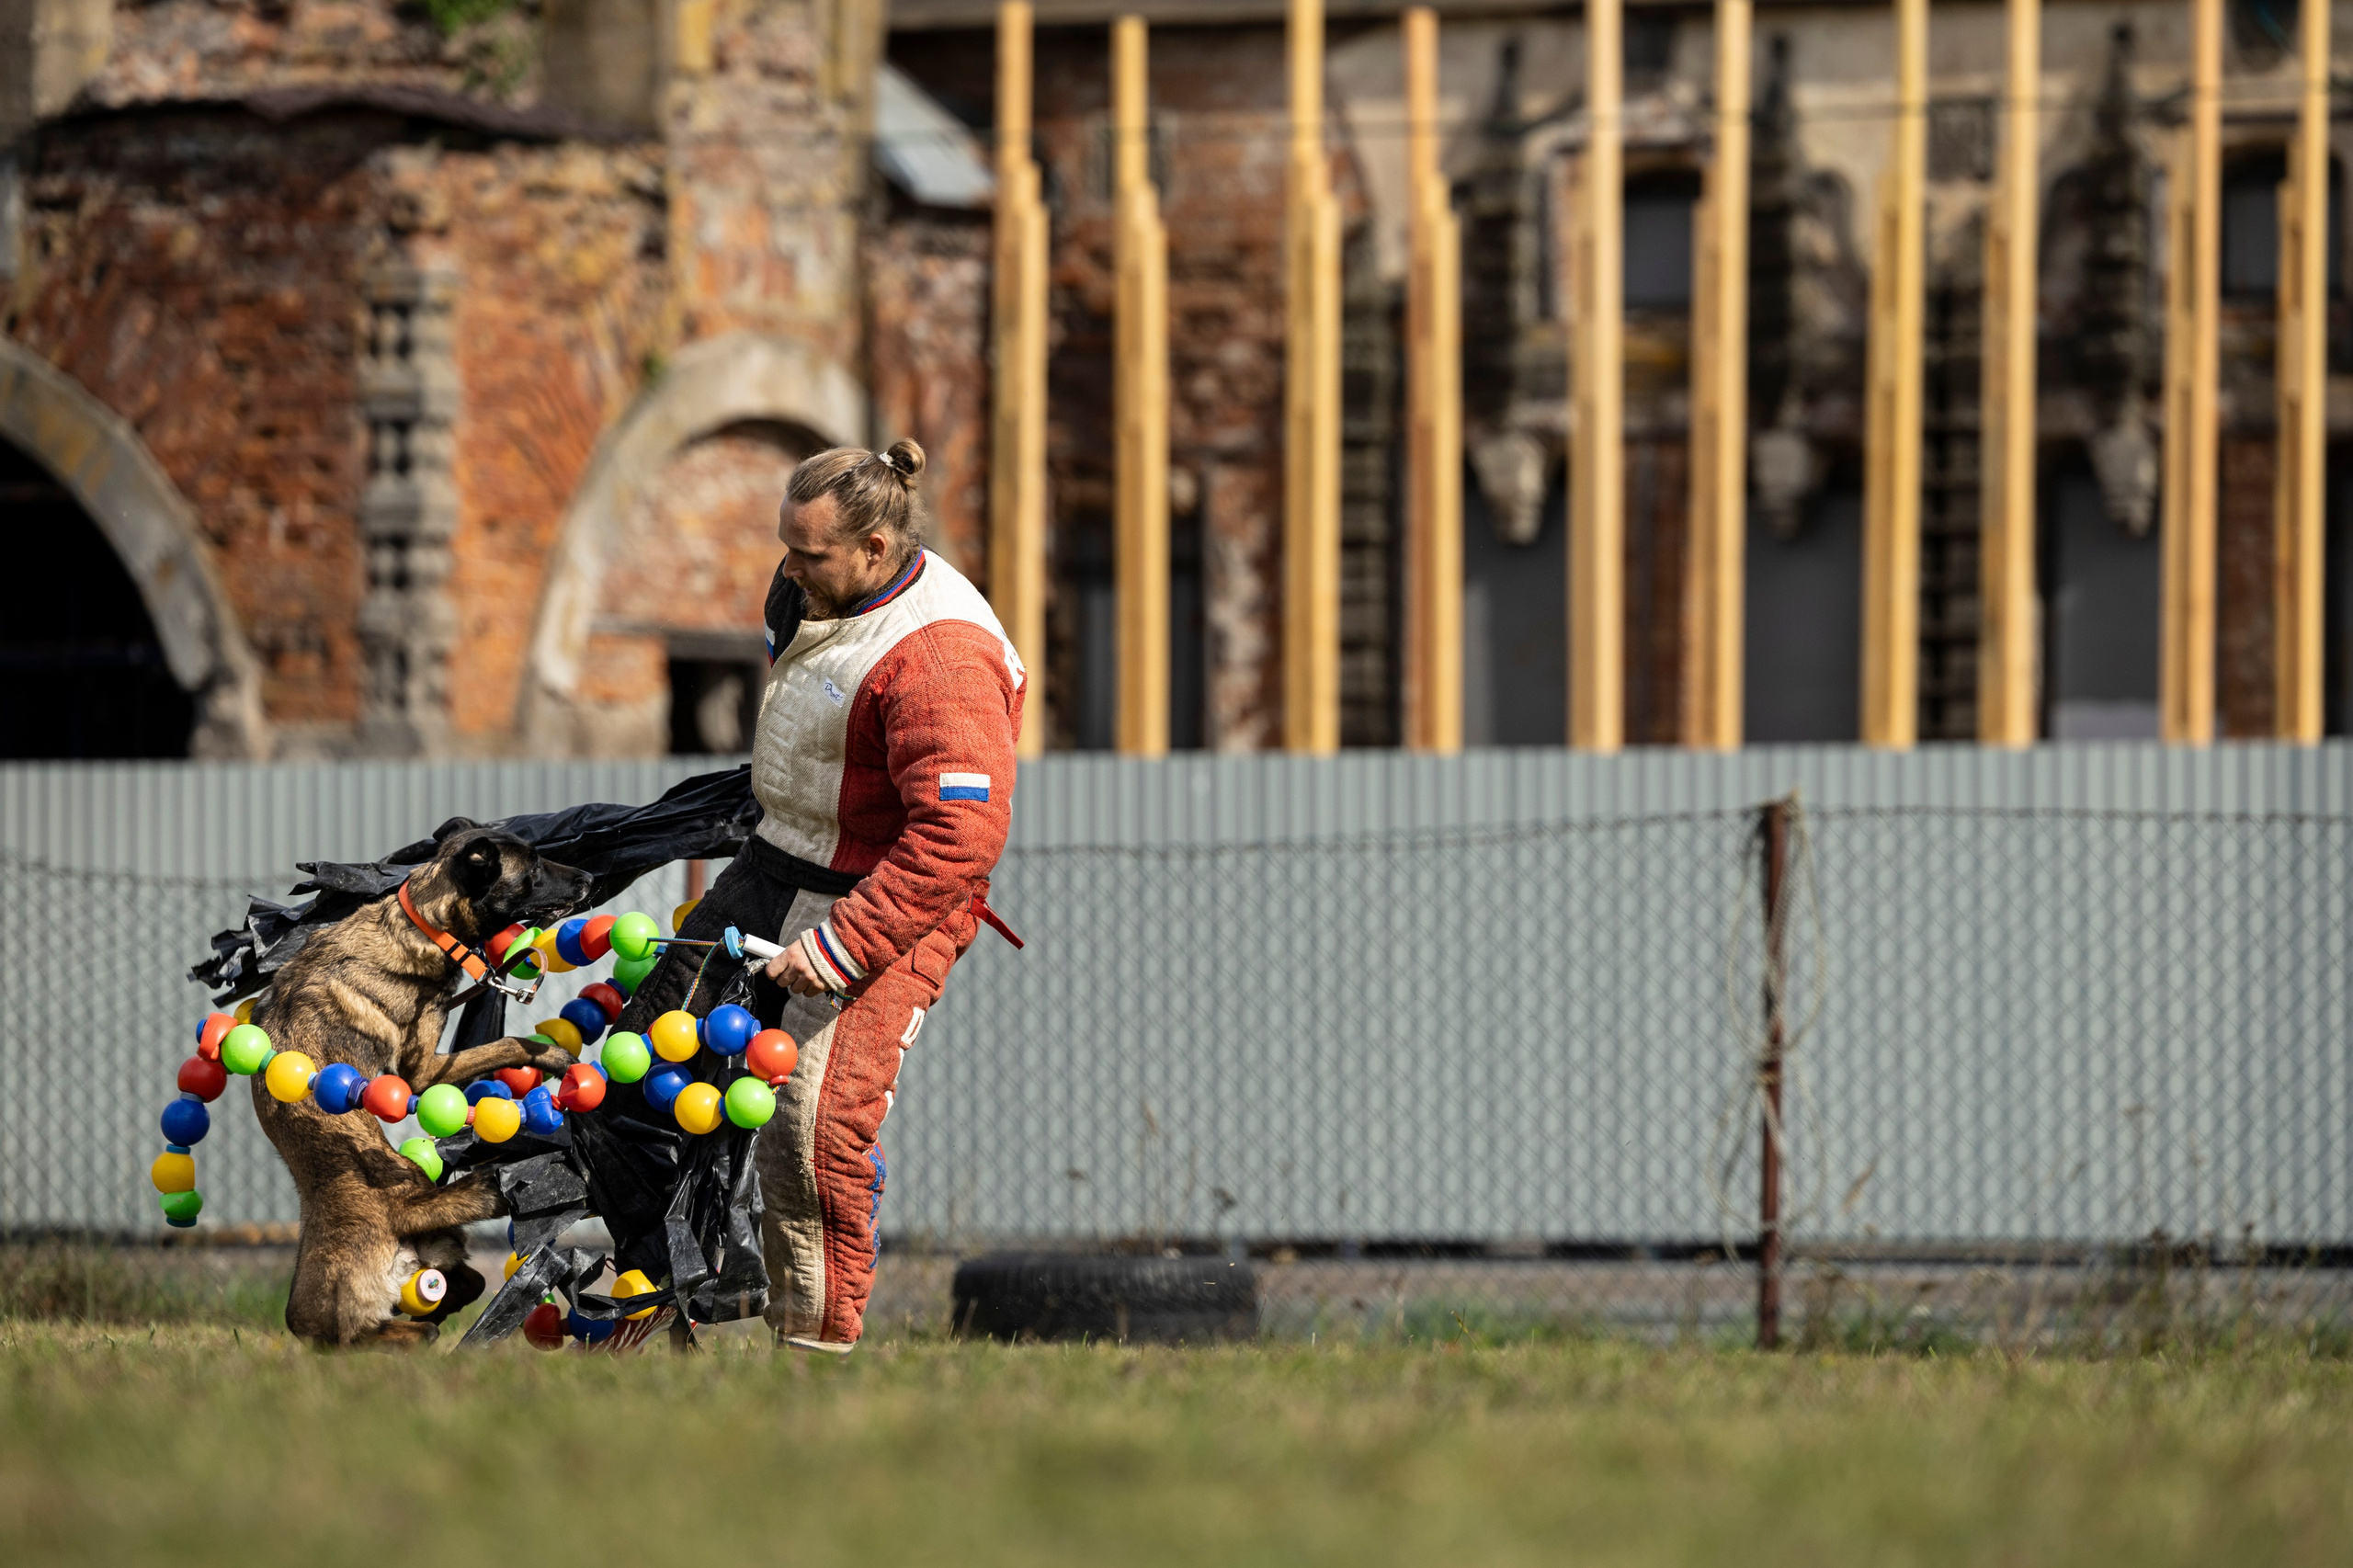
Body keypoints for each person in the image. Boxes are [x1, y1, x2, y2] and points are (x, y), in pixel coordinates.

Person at [617, 439, 1025, 1353]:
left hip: (891, 894)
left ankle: (812, 1356)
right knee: (642, 1065)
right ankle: (663, 1318)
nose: (788, 571)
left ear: (875, 549)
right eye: (786, 548)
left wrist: (840, 948)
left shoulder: (943, 661)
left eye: (810, 555)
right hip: (777, 862)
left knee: (809, 1129)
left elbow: (958, 839)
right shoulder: (809, 587)